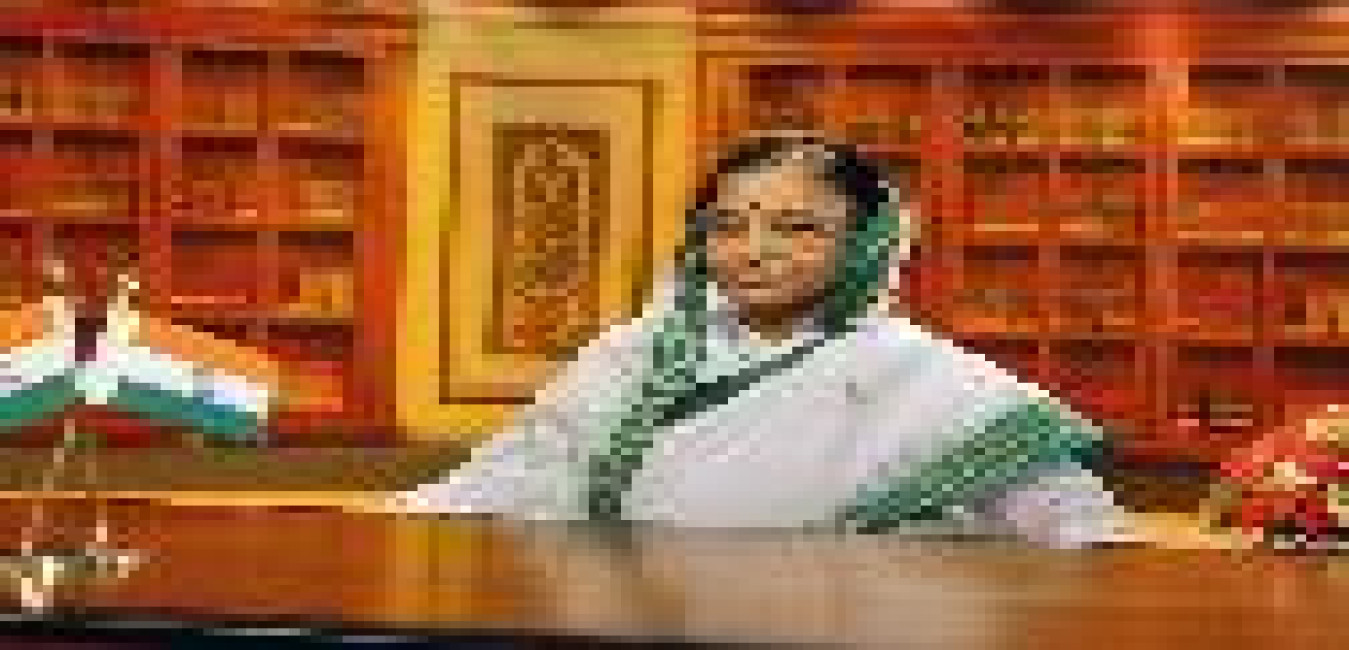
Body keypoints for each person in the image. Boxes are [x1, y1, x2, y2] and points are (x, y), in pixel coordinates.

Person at [394, 131, 1135, 548]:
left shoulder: (926, 378)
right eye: (727, 227)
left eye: (796, 228)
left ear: (867, 245)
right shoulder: (632, 356)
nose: (753, 252)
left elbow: (1074, 523)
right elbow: (515, 477)